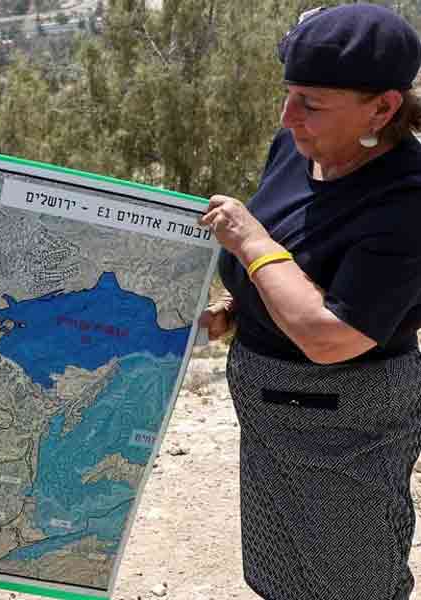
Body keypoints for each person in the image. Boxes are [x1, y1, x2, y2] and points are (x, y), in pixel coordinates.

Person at [197, 4, 421, 600]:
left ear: (383, 107)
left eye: (312, 102)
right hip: (268, 408)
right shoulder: (295, 149)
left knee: (353, 582)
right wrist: (240, 303)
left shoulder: (405, 200)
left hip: (346, 421)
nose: (288, 115)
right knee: (280, 572)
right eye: (289, 93)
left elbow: (331, 335)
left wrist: (249, 241)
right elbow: (290, 261)